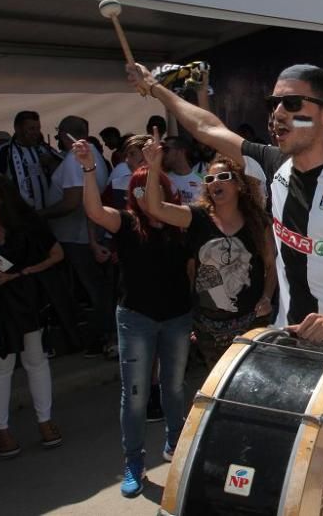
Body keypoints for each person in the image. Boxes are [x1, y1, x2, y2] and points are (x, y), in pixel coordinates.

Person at [128, 60, 323, 516]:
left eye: (292, 103)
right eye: (273, 104)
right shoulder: (272, 163)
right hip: (289, 346)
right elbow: (208, 126)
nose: (277, 113)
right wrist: (158, 91)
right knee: (301, 471)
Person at [76, 138, 192, 498]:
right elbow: (95, 212)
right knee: (136, 395)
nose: (145, 194)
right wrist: (89, 169)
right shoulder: (124, 222)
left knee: (174, 388)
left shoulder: (181, 224)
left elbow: (192, 270)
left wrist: (195, 318)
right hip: (136, 319)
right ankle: (134, 462)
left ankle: (176, 442)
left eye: (153, 187)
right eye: (139, 188)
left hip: (177, 317)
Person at [141, 146, 275, 367]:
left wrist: (267, 298)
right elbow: (155, 208)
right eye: (210, 178)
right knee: (219, 384)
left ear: (238, 184)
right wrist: (153, 169)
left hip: (251, 323)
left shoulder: (257, 222)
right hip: (209, 328)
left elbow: (271, 266)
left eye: (223, 177)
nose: (215, 182)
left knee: (250, 383)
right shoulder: (197, 217)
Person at [0, 172, 65, 458]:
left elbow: (56, 254)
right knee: (0, 365)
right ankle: (1, 432)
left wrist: (21, 273)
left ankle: (45, 422)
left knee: (35, 360)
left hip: (25, 301)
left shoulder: (26, 223)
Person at [39, 116, 112, 359]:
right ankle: (100, 334)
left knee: (95, 289)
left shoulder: (74, 159)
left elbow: (71, 202)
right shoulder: (93, 154)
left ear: (65, 135)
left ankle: (98, 336)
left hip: (77, 236)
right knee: (95, 287)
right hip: (87, 233)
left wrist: (39, 215)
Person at [0, 111, 60, 210]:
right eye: (31, 129)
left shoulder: (45, 149)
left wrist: (52, 162)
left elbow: (64, 168)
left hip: (47, 214)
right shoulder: (4, 151)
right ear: (17, 128)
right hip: (20, 216)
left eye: (38, 128)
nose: (36, 133)